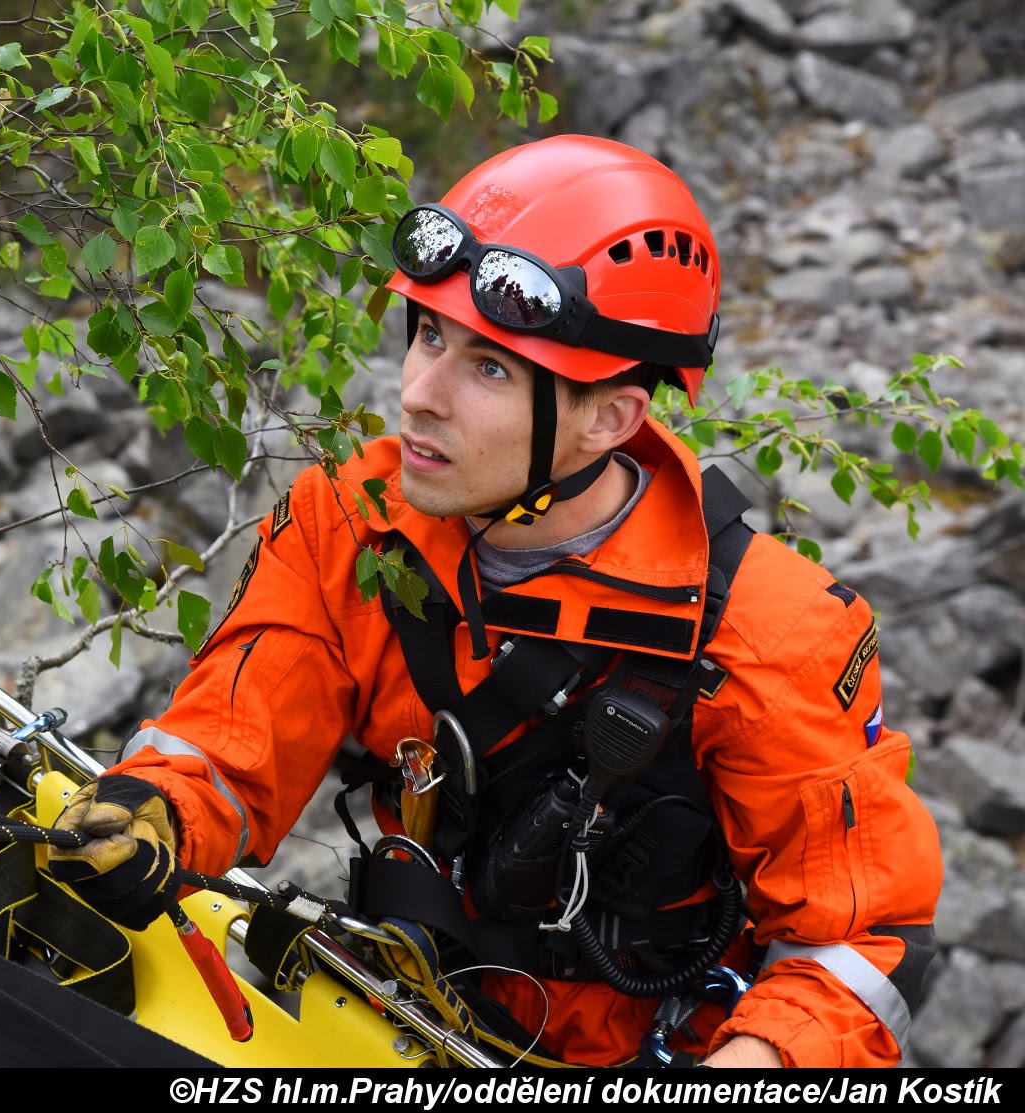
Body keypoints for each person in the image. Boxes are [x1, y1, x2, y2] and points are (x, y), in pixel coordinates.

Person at [46, 135, 941, 1068]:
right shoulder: (353, 522)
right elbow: (232, 741)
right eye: (428, 335)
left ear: (609, 418)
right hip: (404, 1016)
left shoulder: (767, 628)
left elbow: (861, 941)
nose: (419, 397)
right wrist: (149, 809)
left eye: (489, 368)